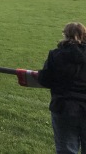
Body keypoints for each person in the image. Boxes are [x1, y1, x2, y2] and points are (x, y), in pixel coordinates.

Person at [37, 22, 86, 154]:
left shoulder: (55, 55)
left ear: (65, 35)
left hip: (64, 108)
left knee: (66, 150)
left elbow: (44, 80)